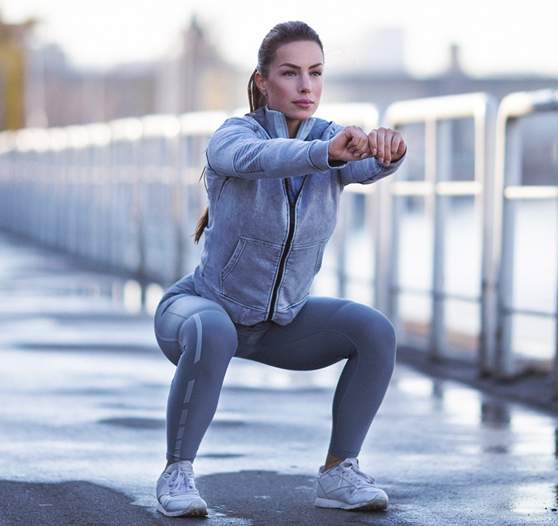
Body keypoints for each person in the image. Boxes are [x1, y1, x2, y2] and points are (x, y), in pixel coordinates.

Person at [152, 20, 406, 518]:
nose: (305, 85)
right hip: (199, 312)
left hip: (278, 325)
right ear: (263, 81)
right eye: (290, 73)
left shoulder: (333, 139)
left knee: (374, 331)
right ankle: (176, 473)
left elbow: (361, 166)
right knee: (212, 329)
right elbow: (259, 158)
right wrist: (322, 154)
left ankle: (339, 472)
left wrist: (387, 151)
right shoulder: (233, 135)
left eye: (315, 72)